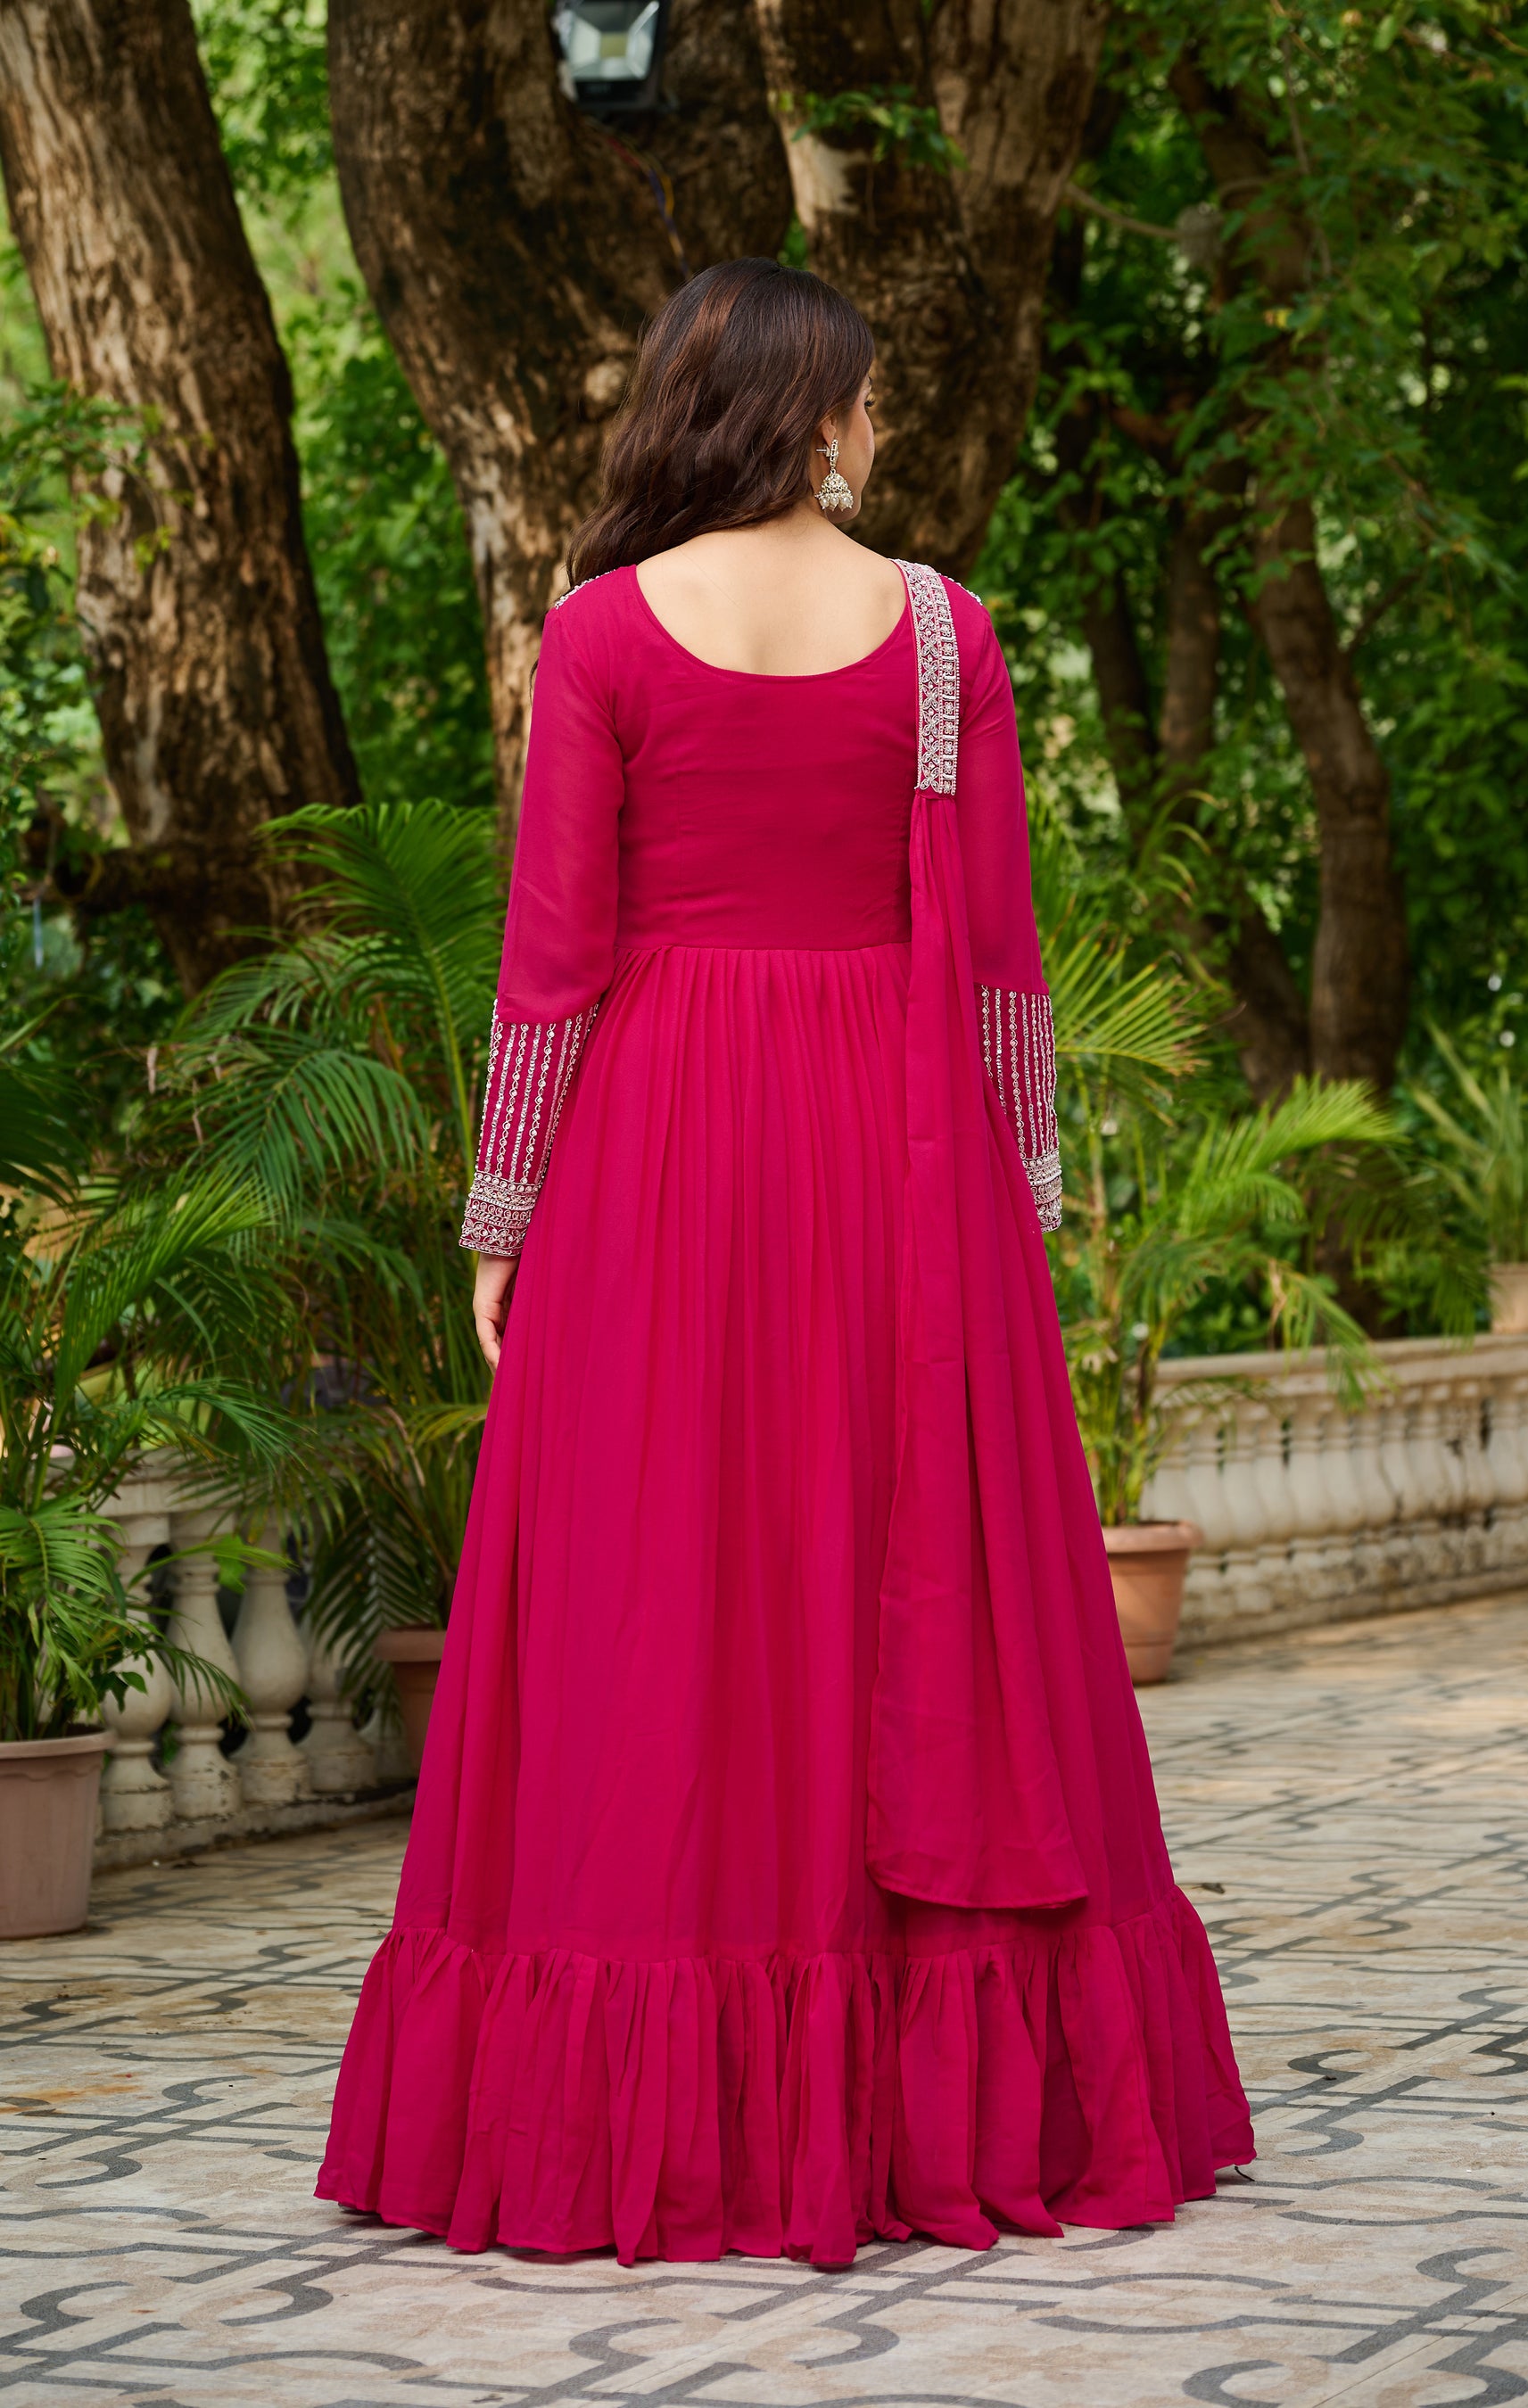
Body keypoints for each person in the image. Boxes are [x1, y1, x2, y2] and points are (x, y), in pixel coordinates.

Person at [318, 258, 1252, 2268]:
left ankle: (644, 2087)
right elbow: (999, 961)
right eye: (869, 401)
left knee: (668, 1577)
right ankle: (932, 2082)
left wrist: (504, 1214)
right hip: (891, 1150)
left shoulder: (596, 636)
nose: (882, 432)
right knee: (887, 1569)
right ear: (804, 410)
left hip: (655, 1157)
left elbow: (552, 969)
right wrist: (1020, 1194)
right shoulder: (940, 632)